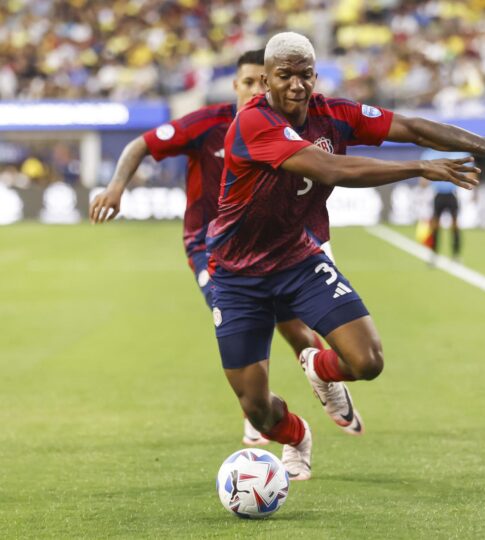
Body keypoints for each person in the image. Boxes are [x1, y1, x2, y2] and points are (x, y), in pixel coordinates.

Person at [209, 32, 485, 481]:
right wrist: (418, 166)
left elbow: (411, 127)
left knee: (367, 361)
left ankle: (318, 367)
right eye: (285, 75)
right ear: (266, 79)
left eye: (305, 74)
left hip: (297, 260)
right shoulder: (253, 123)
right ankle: (296, 435)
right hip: (238, 275)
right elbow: (329, 168)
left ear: (316, 76)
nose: (296, 84)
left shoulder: (334, 114)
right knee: (256, 407)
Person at [88, 50, 326, 447]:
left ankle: (327, 381)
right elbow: (141, 144)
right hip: (209, 246)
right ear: (235, 85)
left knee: (294, 327)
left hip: (270, 246)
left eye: (261, 83)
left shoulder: (286, 127)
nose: (255, 90)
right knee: (239, 312)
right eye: (247, 83)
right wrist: (115, 188)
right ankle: (257, 410)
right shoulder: (207, 123)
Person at [421, 149, 467, 262]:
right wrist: (424, 184)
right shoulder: (430, 154)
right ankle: (434, 253)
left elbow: (470, 171)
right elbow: (423, 176)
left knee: (455, 225)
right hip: (438, 194)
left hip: (452, 194)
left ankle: (456, 255)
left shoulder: (458, 153)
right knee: (435, 225)